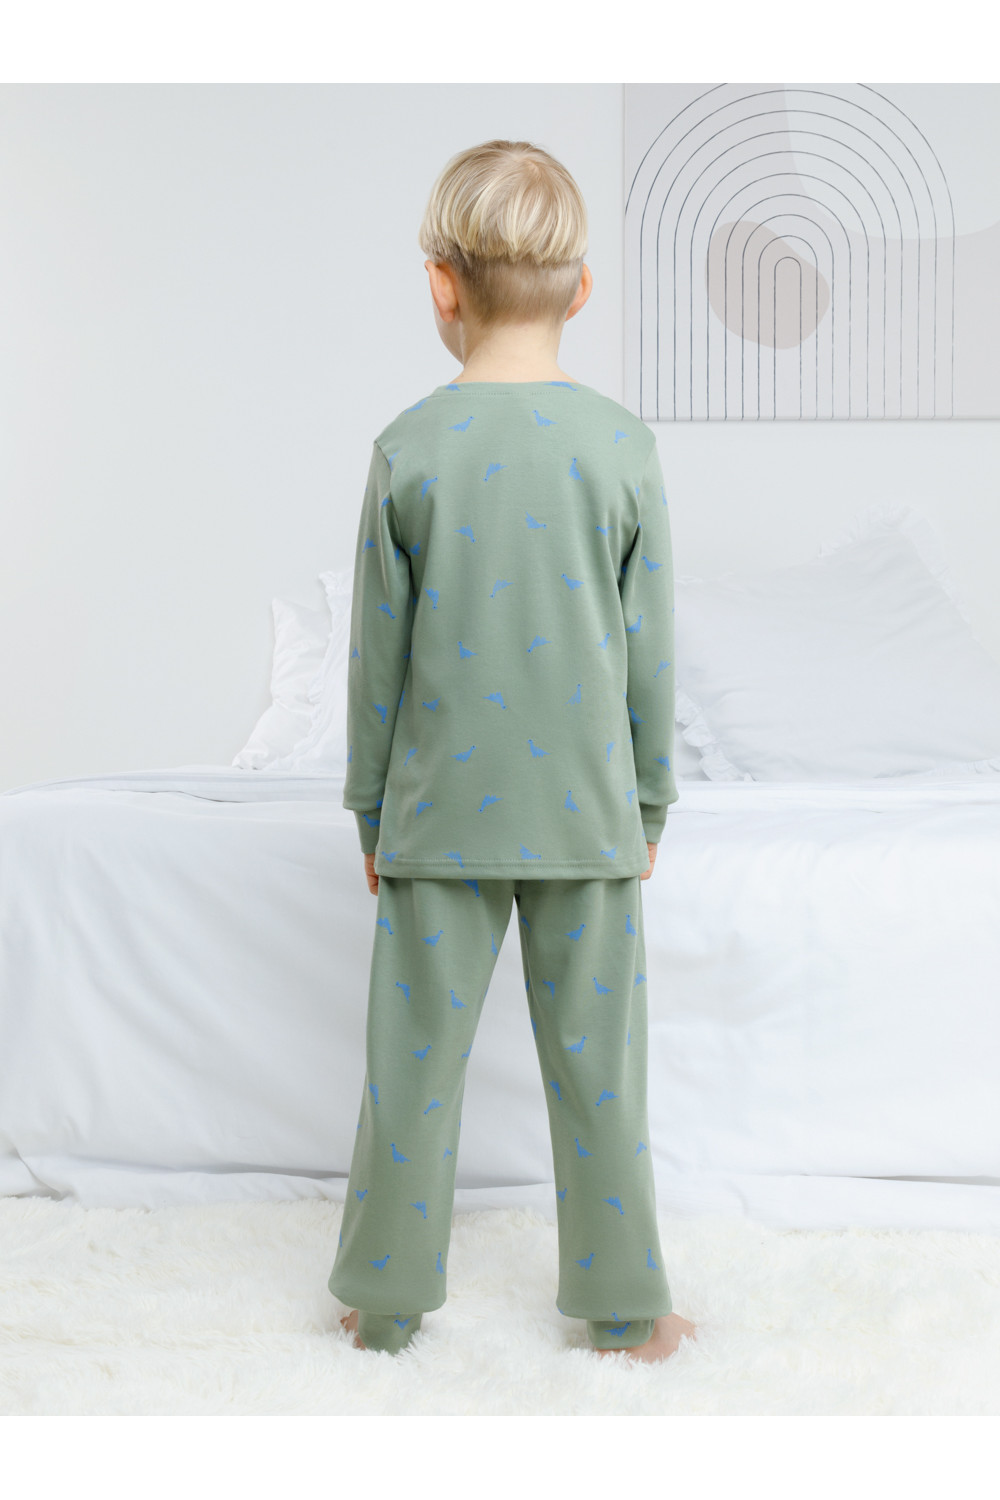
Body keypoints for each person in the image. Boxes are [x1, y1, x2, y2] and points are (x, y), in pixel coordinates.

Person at [327, 139, 696, 1364]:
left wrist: (371, 811)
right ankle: (625, 1312)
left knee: (410, 1070)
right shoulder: (623, 446)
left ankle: (383, 1305)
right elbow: (649, 653)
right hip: (587, 816)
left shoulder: (407, 447)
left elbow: (376, 661)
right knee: (601, 1075)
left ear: (441, 284)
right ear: (580, 289)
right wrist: (647, 806)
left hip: (438, 819)